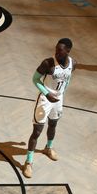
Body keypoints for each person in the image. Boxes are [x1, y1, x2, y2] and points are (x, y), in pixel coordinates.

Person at [22, 38, 74, 179]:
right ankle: (28, 162)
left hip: (58, 99)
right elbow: (35, 79)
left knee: (53, 125)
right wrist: (47, 93)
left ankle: (48, 148)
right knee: (37, 131)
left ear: (68, 51)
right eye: (56, 49)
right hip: (45, 99)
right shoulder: (48, 63)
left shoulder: (72, 63)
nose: (56, 52)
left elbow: (68, 79)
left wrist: (62, 94)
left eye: (60, 50)